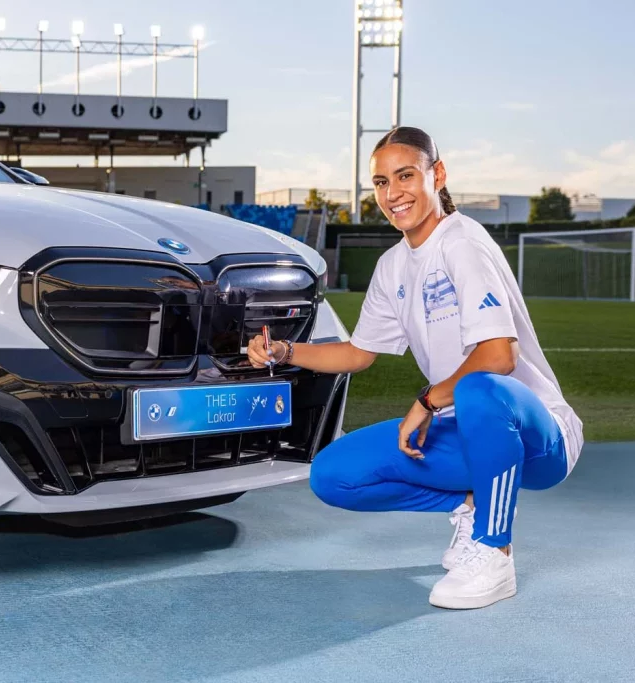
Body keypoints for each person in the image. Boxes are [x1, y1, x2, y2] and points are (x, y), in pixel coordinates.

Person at [248, 126, 583, 610]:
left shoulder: (462, 242)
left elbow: (498, 356)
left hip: (538, 436)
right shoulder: (392, 266)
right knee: (333, 473)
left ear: (437, 174)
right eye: (381, 183)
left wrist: (426, 401)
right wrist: (283, 352)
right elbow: (357, 353)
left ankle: (495, 550)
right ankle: (472, 505)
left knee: (479, 389)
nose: (393, 193)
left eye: (405, 176)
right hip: (468, 432)